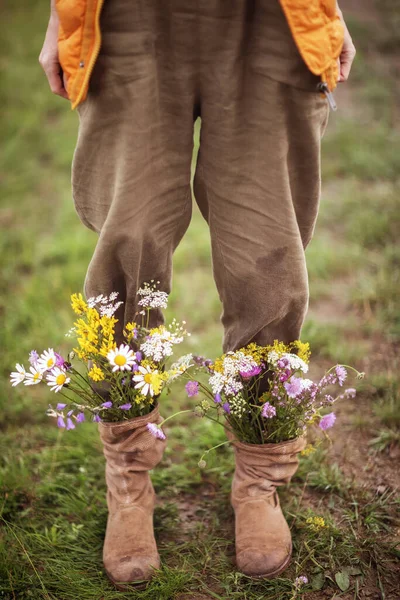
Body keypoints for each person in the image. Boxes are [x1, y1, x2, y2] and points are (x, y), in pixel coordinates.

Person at [39, 0, 356, 587]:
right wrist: (61, 18)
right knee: (128, 243)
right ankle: (128, 482)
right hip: (130, 15)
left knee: (266, 253)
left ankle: (259, 478)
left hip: (268, 17)